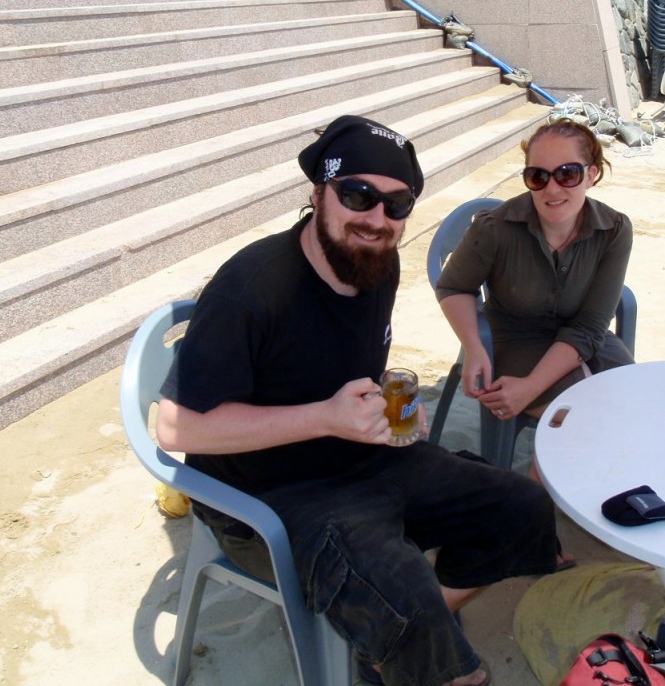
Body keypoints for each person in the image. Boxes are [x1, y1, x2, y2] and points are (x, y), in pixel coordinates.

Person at [156, 115, 558, 686]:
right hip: (268, 497)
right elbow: (176, 428)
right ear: (318, 193)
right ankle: (418, 644)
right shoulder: (253, 286)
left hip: (366, 458)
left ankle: (399, 640)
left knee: (523, 508)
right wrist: (326, 418)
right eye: (357, 195)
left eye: (397, 204)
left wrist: (389, 413)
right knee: (412, 608)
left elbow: (347, 368)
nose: (376, 218)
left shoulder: (378, 264)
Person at [435, 118, 634, 448]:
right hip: (514, 338)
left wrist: (530, 388)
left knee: (637, 407)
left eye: (567, 174)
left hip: (585, 336)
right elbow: (453, 286)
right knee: (581, 422)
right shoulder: (495, 228)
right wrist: (473, 345)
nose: (552, 189)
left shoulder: (614, 230)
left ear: (592, 174)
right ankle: (542, 483)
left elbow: (590, 327)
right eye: (538, 176)